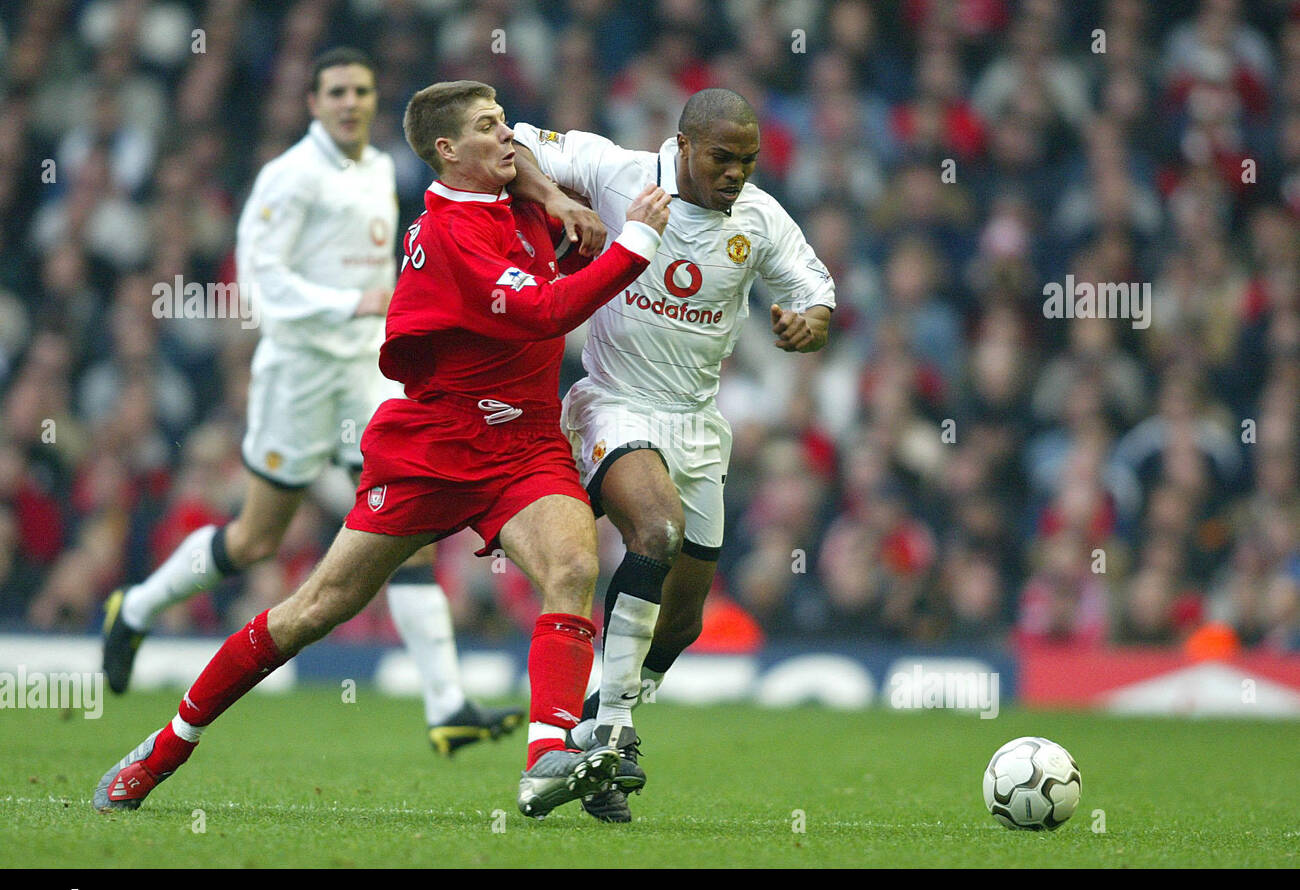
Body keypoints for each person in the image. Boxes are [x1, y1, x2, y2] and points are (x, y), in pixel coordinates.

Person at [93, 79, 672, 821]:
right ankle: (165, 746)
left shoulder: (513, 185)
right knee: (312, 609)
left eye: (503, 125)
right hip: (435, 448)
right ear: (446, 150)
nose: (508, 137)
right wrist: (636, 244)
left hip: (524, 441)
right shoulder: (449, 236)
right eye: (489, 128)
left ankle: (545, 758)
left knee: (575, 563)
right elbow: (544, 309)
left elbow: (526, 152)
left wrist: (555, 199)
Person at [100, 48, 524, 756]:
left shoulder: (382, 166)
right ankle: (136, 605)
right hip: (297, 374)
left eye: (361, 89)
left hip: (363, 370)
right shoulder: (288, 177)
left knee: (408, 520)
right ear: (313, 101)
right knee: (255, 539)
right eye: (336, 91)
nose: (351, 102)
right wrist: (350, 300)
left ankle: (447, 705)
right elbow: (259, 284)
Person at [510, 88, 836, 821]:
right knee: (655, 530)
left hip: (697, 423)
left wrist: (806, 324)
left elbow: (817, 291)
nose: (737, 174)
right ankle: (611, 734)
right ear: (683, 144)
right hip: (612, 404)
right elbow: (517, 141)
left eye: (748, 161)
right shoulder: (616, 170)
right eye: (723, 158)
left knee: (682, 621)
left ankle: (602, 712)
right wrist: (556, 202)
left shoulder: (759, 218)